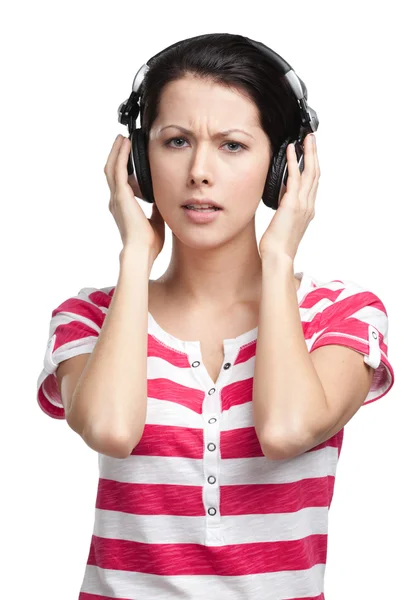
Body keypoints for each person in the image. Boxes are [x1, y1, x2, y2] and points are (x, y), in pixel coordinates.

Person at [36, 33, 395, 600]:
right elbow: (109, 428)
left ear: (284, 165)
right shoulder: (90, 316)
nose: (199, 171)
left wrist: (278, 259)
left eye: (232, 145)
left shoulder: (339, 314)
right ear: (140, 158)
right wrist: (134, 258)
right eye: (176, 141)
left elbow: (286, 430)